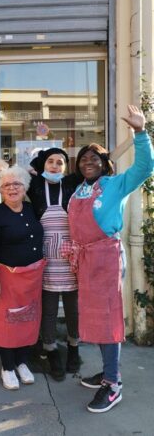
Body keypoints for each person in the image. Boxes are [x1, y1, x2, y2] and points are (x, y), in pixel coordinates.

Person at [66, 105, 154, 413]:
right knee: (94, 319)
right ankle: (107, 370)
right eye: (84, 159)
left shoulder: (116, 185)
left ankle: (113, 384)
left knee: (107, 318)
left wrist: (140, 132)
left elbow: (145, 168)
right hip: (86, 260)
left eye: (95, 158)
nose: (88, 162)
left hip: (106, 258)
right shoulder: (79, 189)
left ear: (105, 164)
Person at [0, 166, 46, 390]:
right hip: (6, 278)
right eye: (6, 184)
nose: (12, 188)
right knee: (7, 322)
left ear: (25, 187)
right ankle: (7, 367)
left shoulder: (31, 209)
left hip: (32, 277)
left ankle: (21, 362)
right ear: (0, 189)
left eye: (17, 184)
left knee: (27, 320)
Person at [28, 148, 81, 381]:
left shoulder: (72, 185)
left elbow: (104, 160)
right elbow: (4, 168)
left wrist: (135, 136)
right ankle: (51, 352)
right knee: (48, 312)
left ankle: (73, 348)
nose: (55, 166)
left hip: (71, 260)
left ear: (65, 167)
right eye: (50, 161)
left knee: (73, 311)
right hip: (46, 260)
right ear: (43, 165)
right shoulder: (36, 187)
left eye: (60, 162)